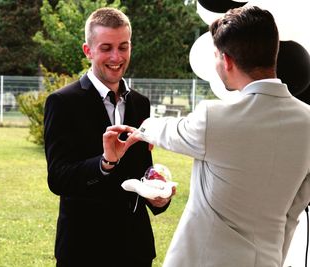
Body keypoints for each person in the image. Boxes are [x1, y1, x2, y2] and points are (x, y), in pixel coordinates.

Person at [109, 5, 310, 267]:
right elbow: (295, 210)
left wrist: (143, 128)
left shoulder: (213, 118)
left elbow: (171, 131)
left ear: (226, 60)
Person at [44, 7, 173, 267]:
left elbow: (141, 171)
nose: (116, 57)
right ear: (87, 50)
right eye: (106, 48)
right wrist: (104, 163)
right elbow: (58, 178)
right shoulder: (62, 102)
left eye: (123, 47)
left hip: (135, 248)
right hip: (84, 249)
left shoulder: (141, 103)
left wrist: (157, 195)